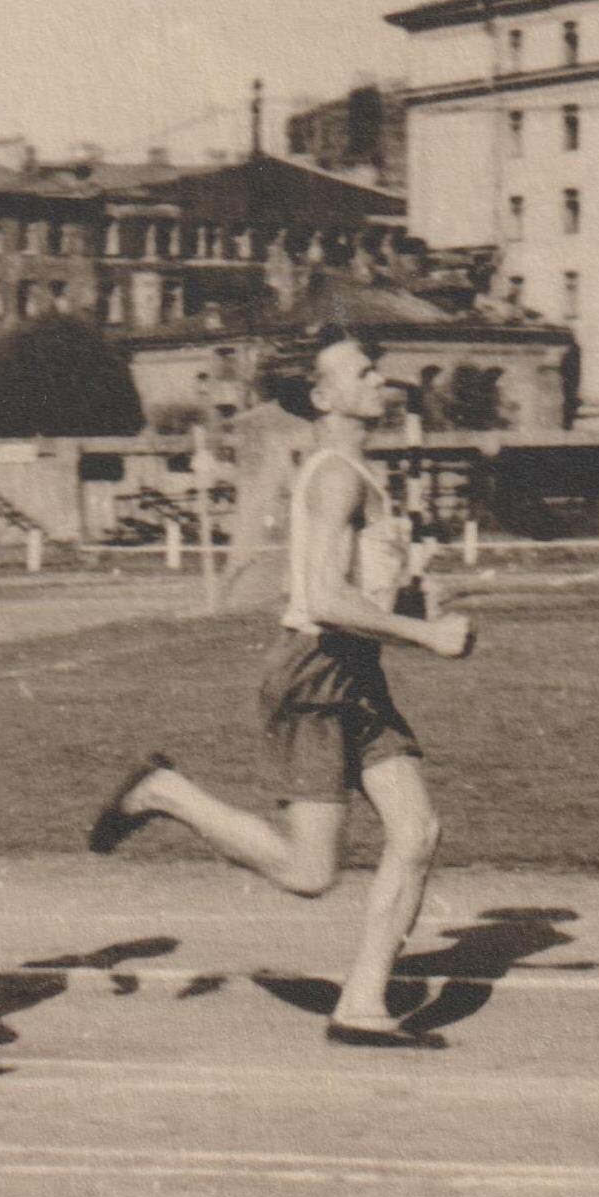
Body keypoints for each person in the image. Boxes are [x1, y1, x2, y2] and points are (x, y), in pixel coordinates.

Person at [87, 328, 475, 1048]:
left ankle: (360, 1004)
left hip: (354, 671)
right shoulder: (333, 476)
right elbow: (324, 598)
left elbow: (356, 591)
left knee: (416, 831)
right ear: (323, 395)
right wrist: (426, 635)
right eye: (362, 369)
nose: (378, 380)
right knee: (308, 872)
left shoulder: (360, 476)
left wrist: (418, 605)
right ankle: (163, 791)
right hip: (315, 673)